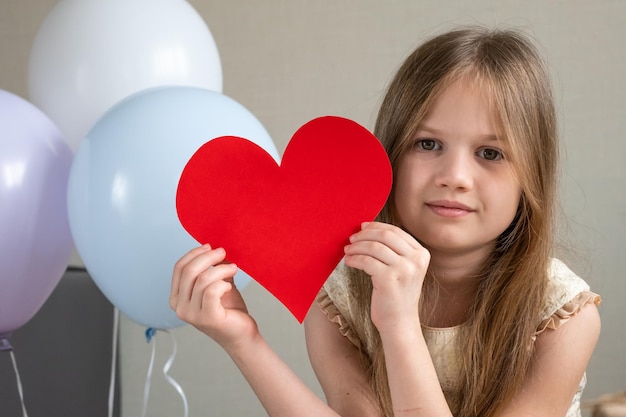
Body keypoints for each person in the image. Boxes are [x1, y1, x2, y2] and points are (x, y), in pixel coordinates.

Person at [169, 26, 601, 417]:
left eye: (490, 153)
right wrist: (243, 340)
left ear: (533, 175)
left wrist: (398, 325)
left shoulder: (562, 316)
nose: (454, 177)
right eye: (428, 143)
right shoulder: (344, 297)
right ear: (389, 154)